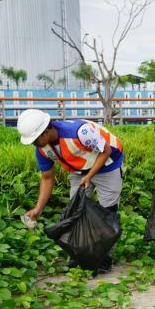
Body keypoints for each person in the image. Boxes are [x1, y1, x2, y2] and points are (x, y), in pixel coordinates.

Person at [18, 109, 123, 274]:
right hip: (79, 170)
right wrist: (38, 209)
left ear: (45, 131)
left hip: (109, 163)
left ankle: (105, 258)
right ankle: (80, 253)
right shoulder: (42, 149)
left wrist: (89, 176)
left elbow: (106, 151)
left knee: (107, 212)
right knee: (76, 209)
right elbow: (47, 178)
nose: (34, 144)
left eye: (35, 139)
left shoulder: (80, 132)